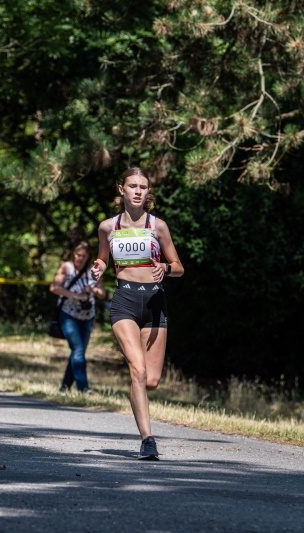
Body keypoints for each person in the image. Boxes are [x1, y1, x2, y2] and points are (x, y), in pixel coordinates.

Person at [91, 167, 183, 460]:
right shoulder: (108, 227)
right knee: (138, 370)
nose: (138, 191)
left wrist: (165, 268)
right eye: (133, 185)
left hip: (155, 303)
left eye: (143, 186)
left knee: (150, 380)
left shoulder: (158, 226)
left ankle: (137, 393)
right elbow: (103, 258)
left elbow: (179, 267)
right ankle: (147, 440)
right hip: (125, 301)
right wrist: (98, 266)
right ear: (122, 189)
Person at [50, 240, 106, 394]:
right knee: (78, 350)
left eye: (84, 256)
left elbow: (103, 293)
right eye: (78, 255)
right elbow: (54, 287)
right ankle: (83, 388)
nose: (80, 258)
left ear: (88, 257)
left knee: (77, 352)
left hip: (88, 317)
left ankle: (65, 388)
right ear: (73, 253)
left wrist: (93, 290)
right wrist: (76, 295)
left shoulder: (92, 271)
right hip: (68, 315)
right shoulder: (66, 267)